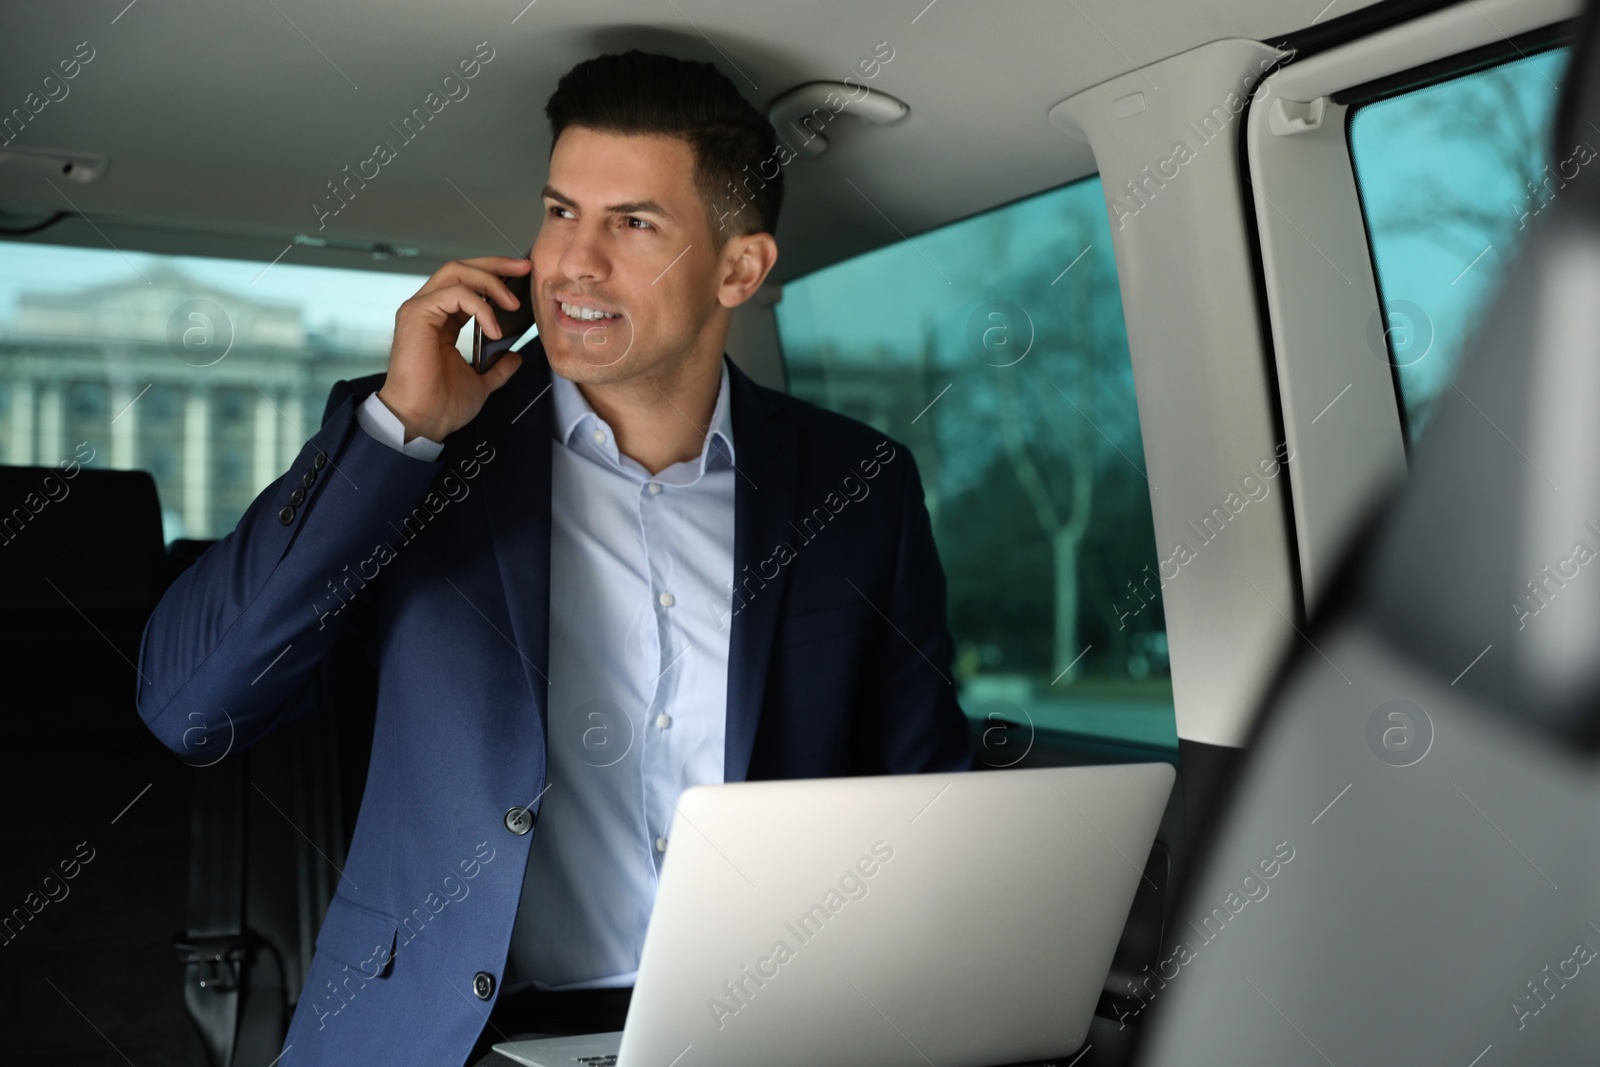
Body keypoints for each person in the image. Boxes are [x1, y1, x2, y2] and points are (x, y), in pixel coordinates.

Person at [135, 49, 971, 1067]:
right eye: (560, 211)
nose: (574, 262)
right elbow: (191, 706)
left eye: (633, 224)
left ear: (739, 269)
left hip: (758, 1030)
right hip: (452, 1037)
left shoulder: (859, 484)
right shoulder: (420, 452)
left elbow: (928, 799)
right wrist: (401, 428)